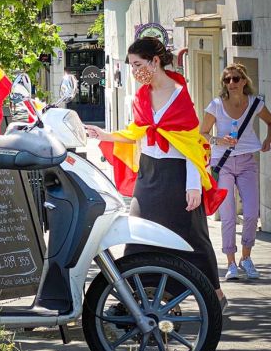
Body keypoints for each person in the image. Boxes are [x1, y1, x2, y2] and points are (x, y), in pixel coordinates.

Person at [85, 37, 227, 308]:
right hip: (149, 174)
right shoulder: (142, 94)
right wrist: (105, 135)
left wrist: (193, 184)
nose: (134, 70)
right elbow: (137, 132)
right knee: (137, 231)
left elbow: (191, 145)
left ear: (155, 61)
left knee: (192, 235)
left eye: (138, 64)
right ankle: (136, 294)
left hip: (177, 175)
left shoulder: (178, 93)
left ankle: (215, 295)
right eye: (131, 65)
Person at [201, 63, 271, 280]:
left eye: (235, 79)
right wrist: (218, 140)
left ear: (244, 81)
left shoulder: (255, 103)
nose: (231, 83)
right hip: (223, 163)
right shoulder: (216, 105)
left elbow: (270, 121)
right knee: (229, 215)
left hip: (247, 161)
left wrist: (268, 138)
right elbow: (202, 132)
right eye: (227, 80)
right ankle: (231, 262)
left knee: (251, 213)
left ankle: (246, 257)